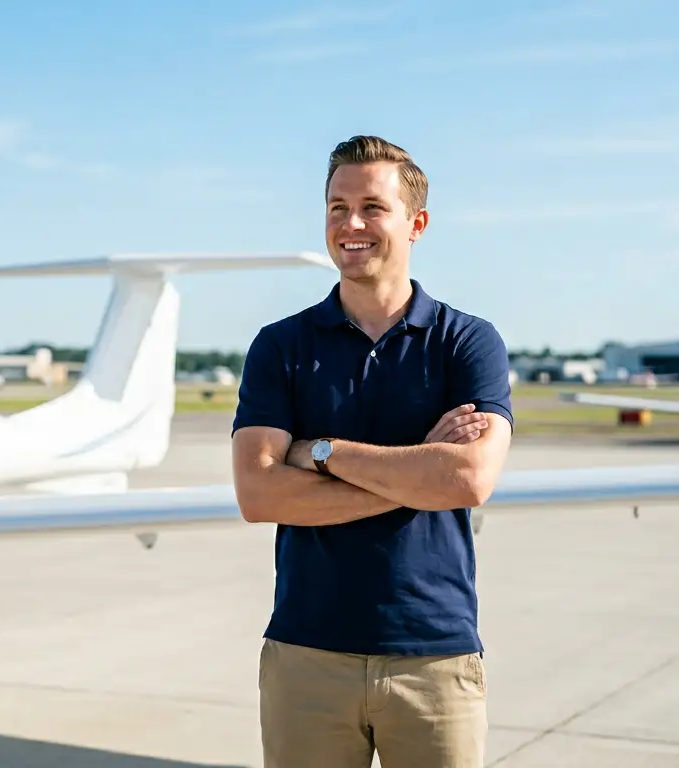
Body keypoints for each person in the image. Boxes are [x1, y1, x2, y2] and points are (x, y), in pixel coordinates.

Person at [230, 135, 514, 768]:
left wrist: (321, 452)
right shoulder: (280, 346)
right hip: (306, 656)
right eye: (336, 207)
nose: (350, 224)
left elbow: (467, 480)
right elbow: (258, 495)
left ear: (416, 224)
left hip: (435, 658)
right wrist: (415, 472)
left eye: (371, 207)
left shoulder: (468, 342)